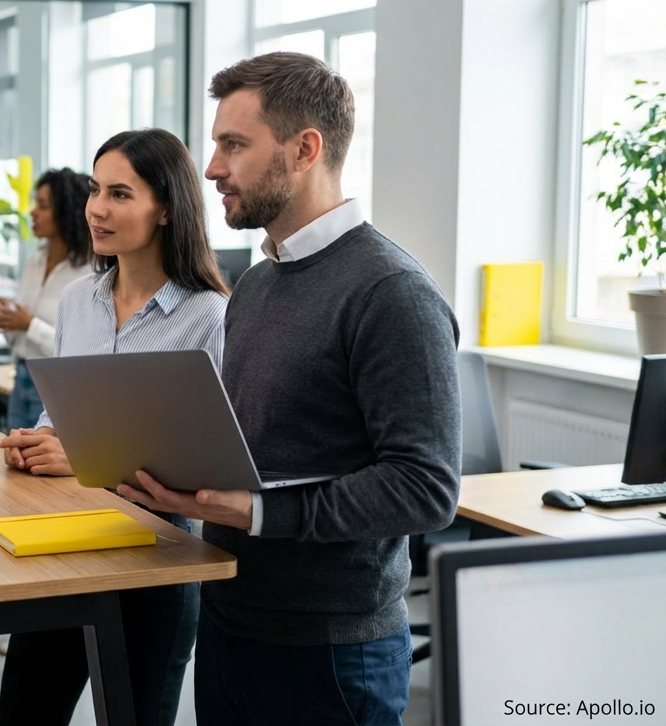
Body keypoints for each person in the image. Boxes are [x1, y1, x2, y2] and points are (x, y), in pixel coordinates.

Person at [117, 52, 461, 726]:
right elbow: (261, 441)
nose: (211, 168)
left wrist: (258, 511)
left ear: (305, 150)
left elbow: (426, 486)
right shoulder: (258, 282)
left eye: (233, 145)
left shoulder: (391, 293)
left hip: (330, 654)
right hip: (229, 618)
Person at [0, 129, 231, 726]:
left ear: (168, 208)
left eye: (120, 194)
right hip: (66, 538)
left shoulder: (210, 316)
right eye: (96, 189)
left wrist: (88, 456)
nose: (97, 208)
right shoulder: (79, 300)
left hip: (156, 553)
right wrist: (39, 442)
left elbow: (211, 459)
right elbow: (63, 416)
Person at [0, 168, 93, 431]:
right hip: (22, 377)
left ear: (67, 212)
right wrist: (8, 323)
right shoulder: (34, 261)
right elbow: (22, 336)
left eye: (42, 205)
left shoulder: (90, 271)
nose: (32, 212)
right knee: (16, 459)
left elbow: (81, 350)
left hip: (59, 383)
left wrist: (28, 324)